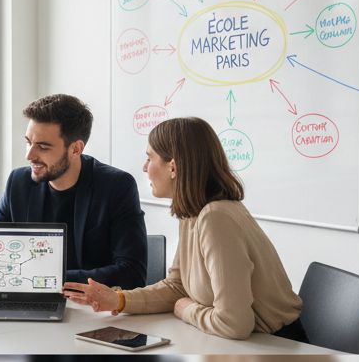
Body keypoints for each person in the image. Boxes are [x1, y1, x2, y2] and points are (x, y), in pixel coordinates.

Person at [63, 116, 304, 341]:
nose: (145, 167)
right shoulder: (194, 212)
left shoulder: (216, 218)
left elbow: (234, 324)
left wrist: (185, 308)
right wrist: (119, 300)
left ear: (173, 167)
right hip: (247, 343)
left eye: (150, 158)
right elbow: (177, 287)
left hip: (277, 346)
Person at [0, 94, 147, 289]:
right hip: (27, 301)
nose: (30, 155)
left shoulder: (117, 186)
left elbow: (132, 273)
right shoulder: (18, 183)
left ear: (76, 149)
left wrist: (44, 278)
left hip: (92, 313)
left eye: (43, 147)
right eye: (28, 143)